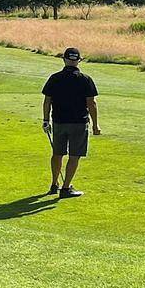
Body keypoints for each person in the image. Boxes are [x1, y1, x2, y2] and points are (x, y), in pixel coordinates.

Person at [41, 47, 100, 199]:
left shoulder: (54, 78)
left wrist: (46, 120)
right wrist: (95, 125)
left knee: (57, 153)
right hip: (78, 123)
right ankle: (66, 188)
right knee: (74, 156)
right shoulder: (85, 79)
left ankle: (54, 184)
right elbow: (91, 103)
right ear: (78, 61)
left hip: (59, 122)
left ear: (64, 59)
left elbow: (47, 101)